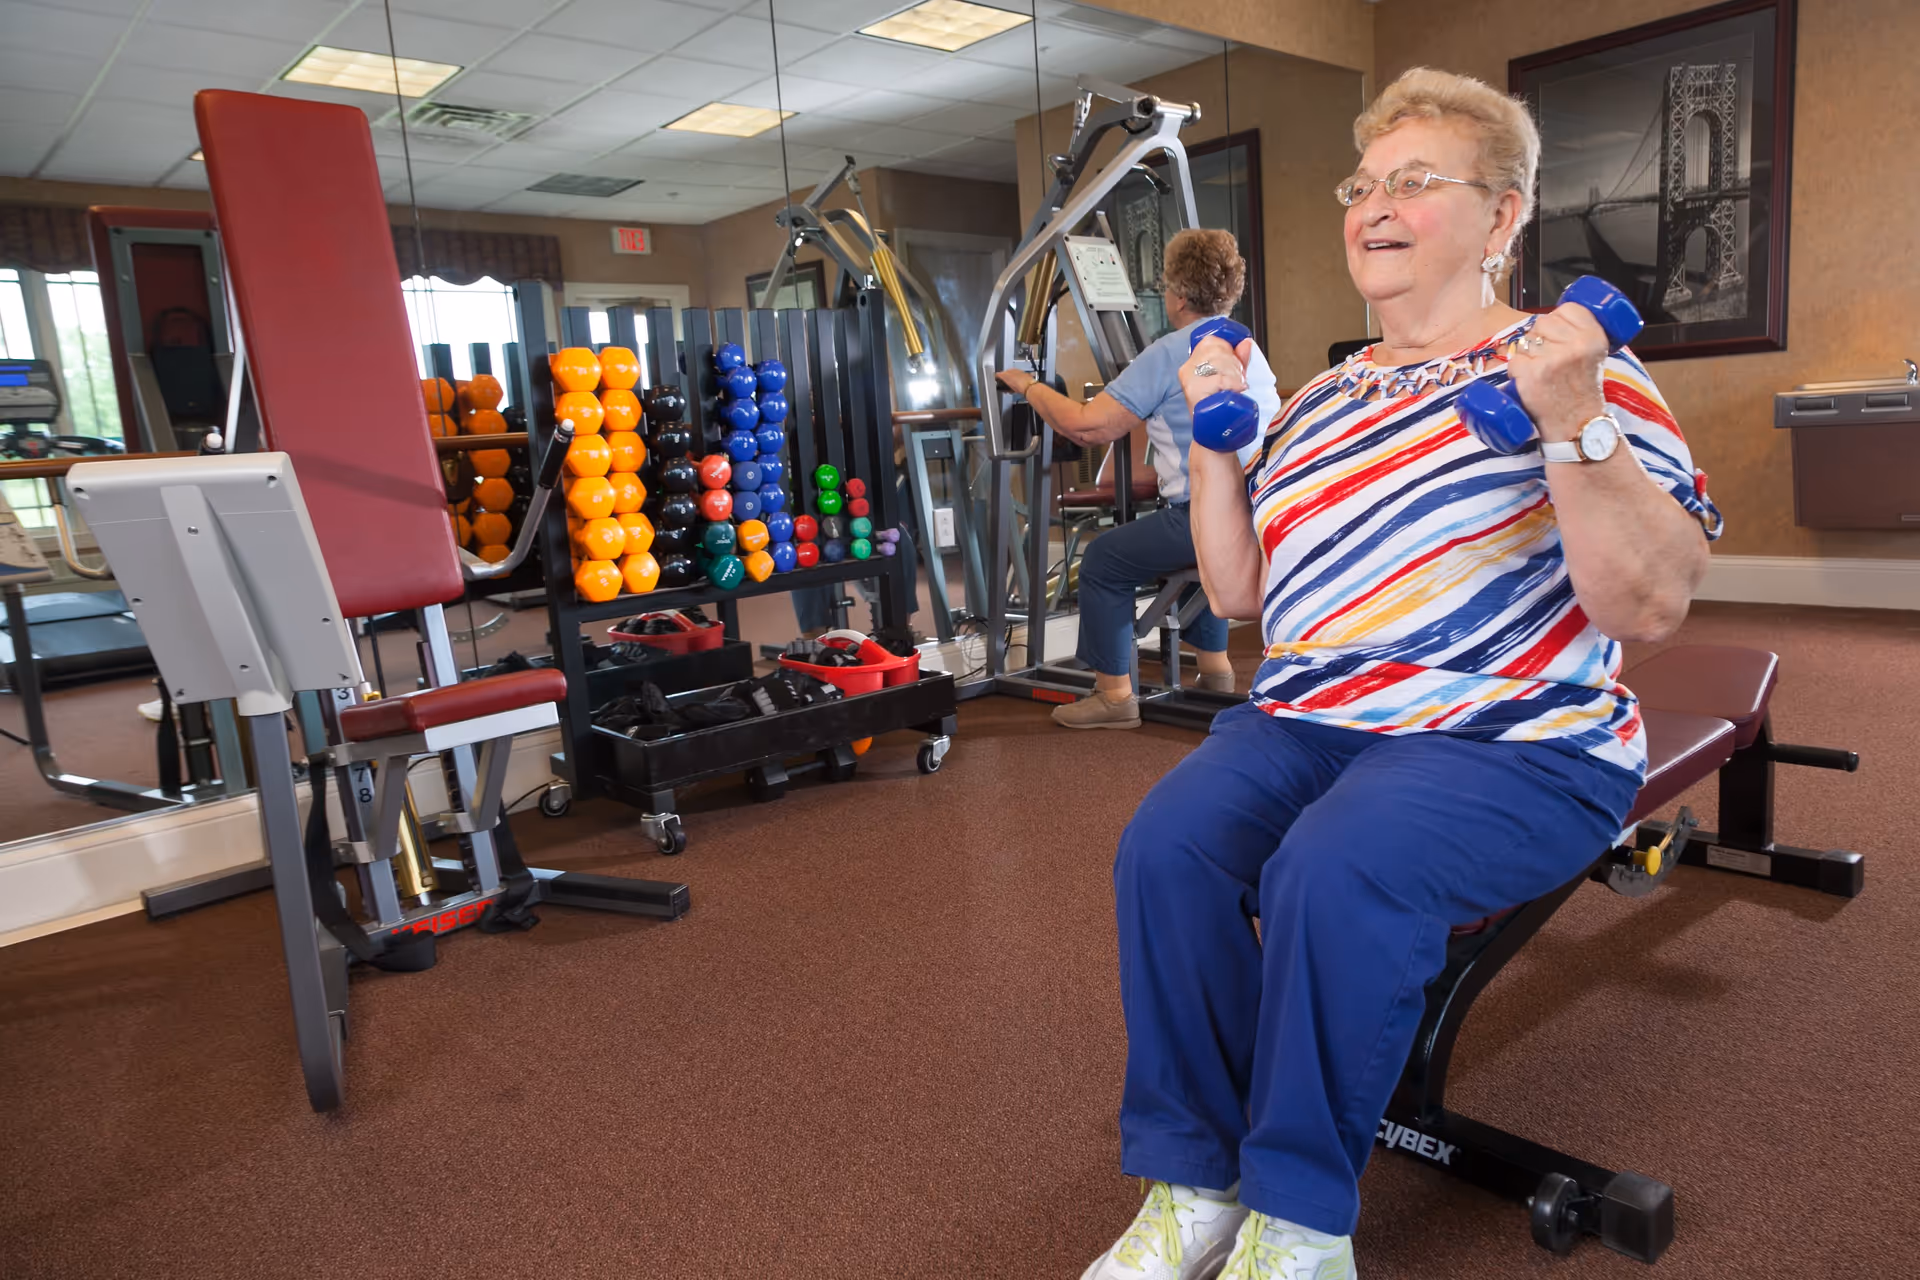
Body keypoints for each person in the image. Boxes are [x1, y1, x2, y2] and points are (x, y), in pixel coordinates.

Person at [1080, 68, 1722, 1280]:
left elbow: (1650, 601)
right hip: (1314, 718)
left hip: (1516, 740)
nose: (1374, 203)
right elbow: (1239, 597)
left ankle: (1301, 1223)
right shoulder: (1323, 397)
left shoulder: (1577, 368)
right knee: (1167, 847)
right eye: (1362, 184)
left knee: (1338, 861)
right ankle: (1198, 1181)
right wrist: (1219, 450)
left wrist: (1572, 420)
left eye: (1415, 181)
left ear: (1504, 216)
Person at [995, 229, 1282, 730]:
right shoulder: (1246, 347)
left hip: (1210, 513)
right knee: (1211, 537)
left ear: (1176, 294)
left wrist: (1027, 386)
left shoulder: (1174, 351)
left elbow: (1088, 426)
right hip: (1264, 507)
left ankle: (1114, 699)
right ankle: (1215, 672)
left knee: (1105, 559)